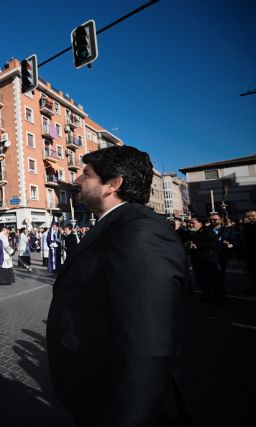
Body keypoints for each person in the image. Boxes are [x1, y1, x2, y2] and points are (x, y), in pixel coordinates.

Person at [47, 146, 190, 427]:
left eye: (86, 175)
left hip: (112, 404)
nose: (77, 181)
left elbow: (149, 346)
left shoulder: (139, 233)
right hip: (94, 390)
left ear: (113, 184)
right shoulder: (114, 225)